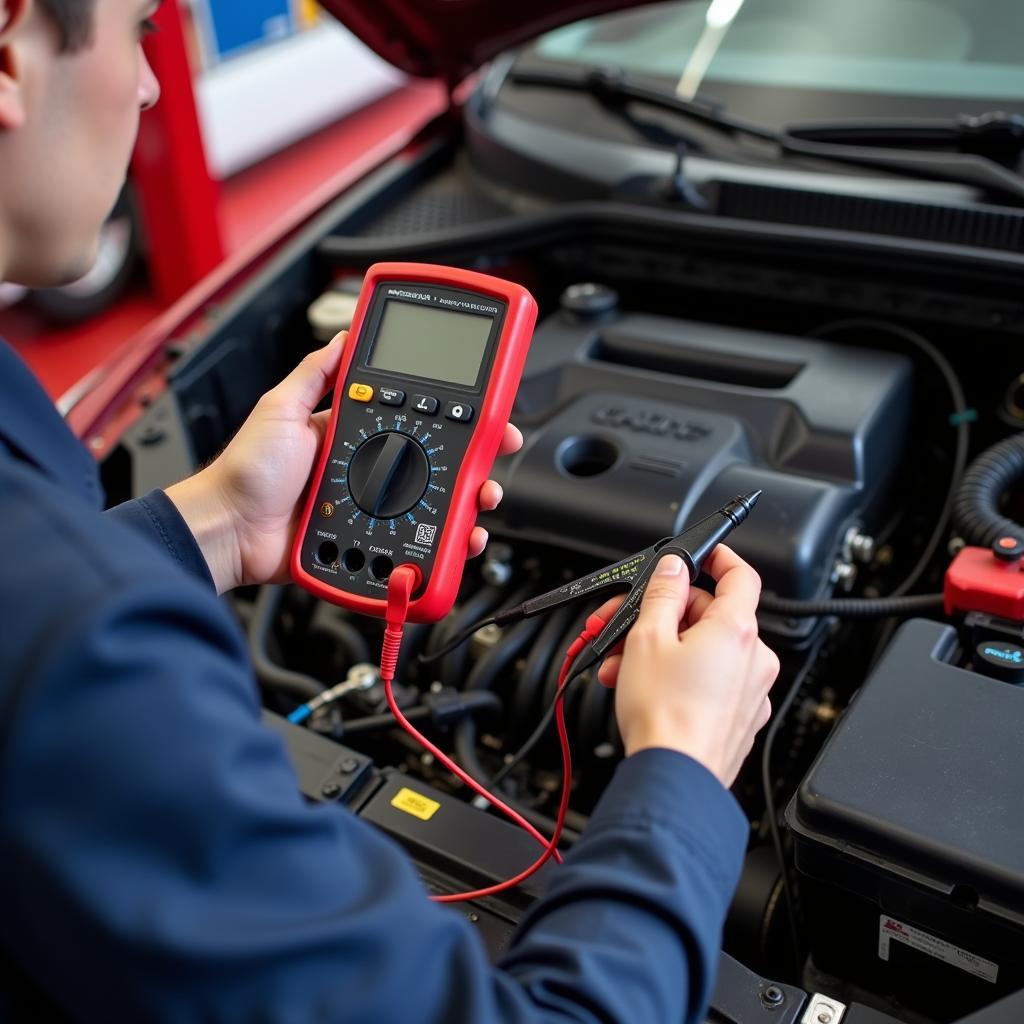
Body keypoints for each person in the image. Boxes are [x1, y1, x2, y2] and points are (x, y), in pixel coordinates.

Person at [0, 1, 780, 1021]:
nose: (150, 87)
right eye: (140, 27)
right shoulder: (82, 651)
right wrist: (680, 770)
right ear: (10, 46)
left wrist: (214, 524)